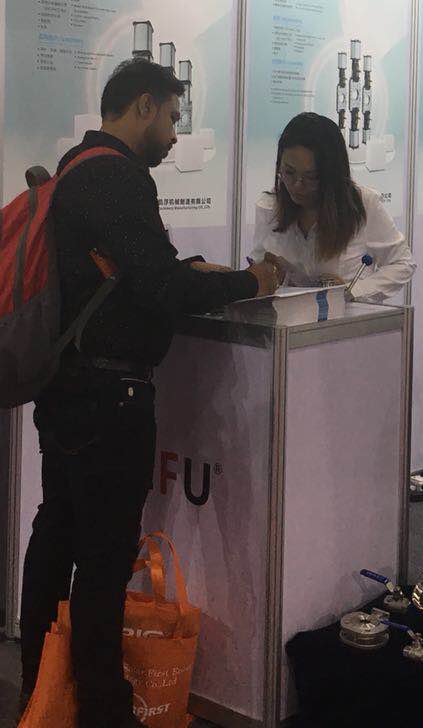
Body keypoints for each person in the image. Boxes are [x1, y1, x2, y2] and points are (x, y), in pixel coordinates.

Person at [19, 59, 281, 728]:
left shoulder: (77, 165)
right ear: (142, 106)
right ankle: (102, 709)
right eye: (170, 117)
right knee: (103, 558)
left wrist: (187, 269)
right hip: (109, 397)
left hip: (68, 386)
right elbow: (162, 289)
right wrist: (250, 283)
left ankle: (41, 689)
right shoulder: (118, 177)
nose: (173, 134)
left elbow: (132, 272)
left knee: (57, 533)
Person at [252, 112, 415, 302]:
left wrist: (353, 291)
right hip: (288, 316)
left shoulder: (362, 204)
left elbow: (402, 264)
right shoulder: (269, 206)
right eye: (289, 172)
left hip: (345, 318)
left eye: (311, 177)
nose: (297, 185)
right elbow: (259, 264)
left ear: (331, 175)